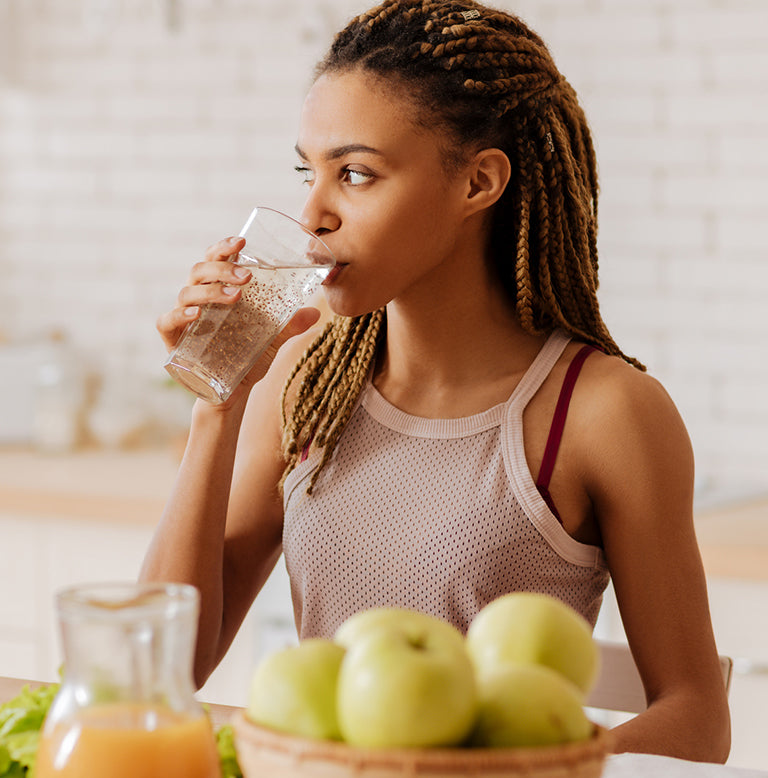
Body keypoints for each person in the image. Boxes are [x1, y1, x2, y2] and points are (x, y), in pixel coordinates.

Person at [141, 0, 730, 763]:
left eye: (355, 174)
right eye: (307, 172)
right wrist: (216, 405)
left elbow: (696, 718)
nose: (312, 213)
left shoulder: (601, 413)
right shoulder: (303, 379)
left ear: (478, 182)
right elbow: (160, 672)